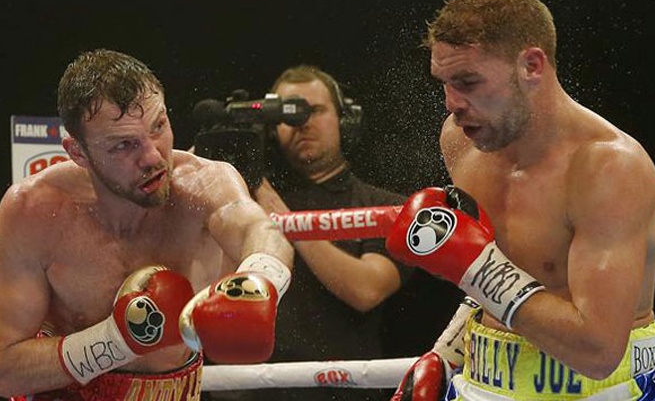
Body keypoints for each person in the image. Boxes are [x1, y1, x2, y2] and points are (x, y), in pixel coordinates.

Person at [385, 0, 655, 401]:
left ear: (531, 66)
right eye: (444, 82)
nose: (452, 103)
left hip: (604, 389)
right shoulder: (462, 142)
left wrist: (472, 265)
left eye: (468, 82)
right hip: (482, 380)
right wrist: (447, 352)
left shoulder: (608, 167)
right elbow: (507, 280)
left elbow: (599, 349)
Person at [0, 49, 294, 400]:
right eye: (125, 144)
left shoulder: (205, 185)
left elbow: (258, 230)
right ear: (78, 152)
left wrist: (257, 282)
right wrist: (115, 341)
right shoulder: (35, 210)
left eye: (159, 126)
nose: (153, 156)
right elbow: (5, 372)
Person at [211, 65, 412, 401]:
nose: (302, 123)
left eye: (315, 111)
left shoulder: (384, 205)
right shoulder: (245, 205)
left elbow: (367, 289)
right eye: (288, 115)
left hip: (344, 393)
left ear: (345, 120)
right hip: (255, 392)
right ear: (274, 128)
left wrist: (281, 218)